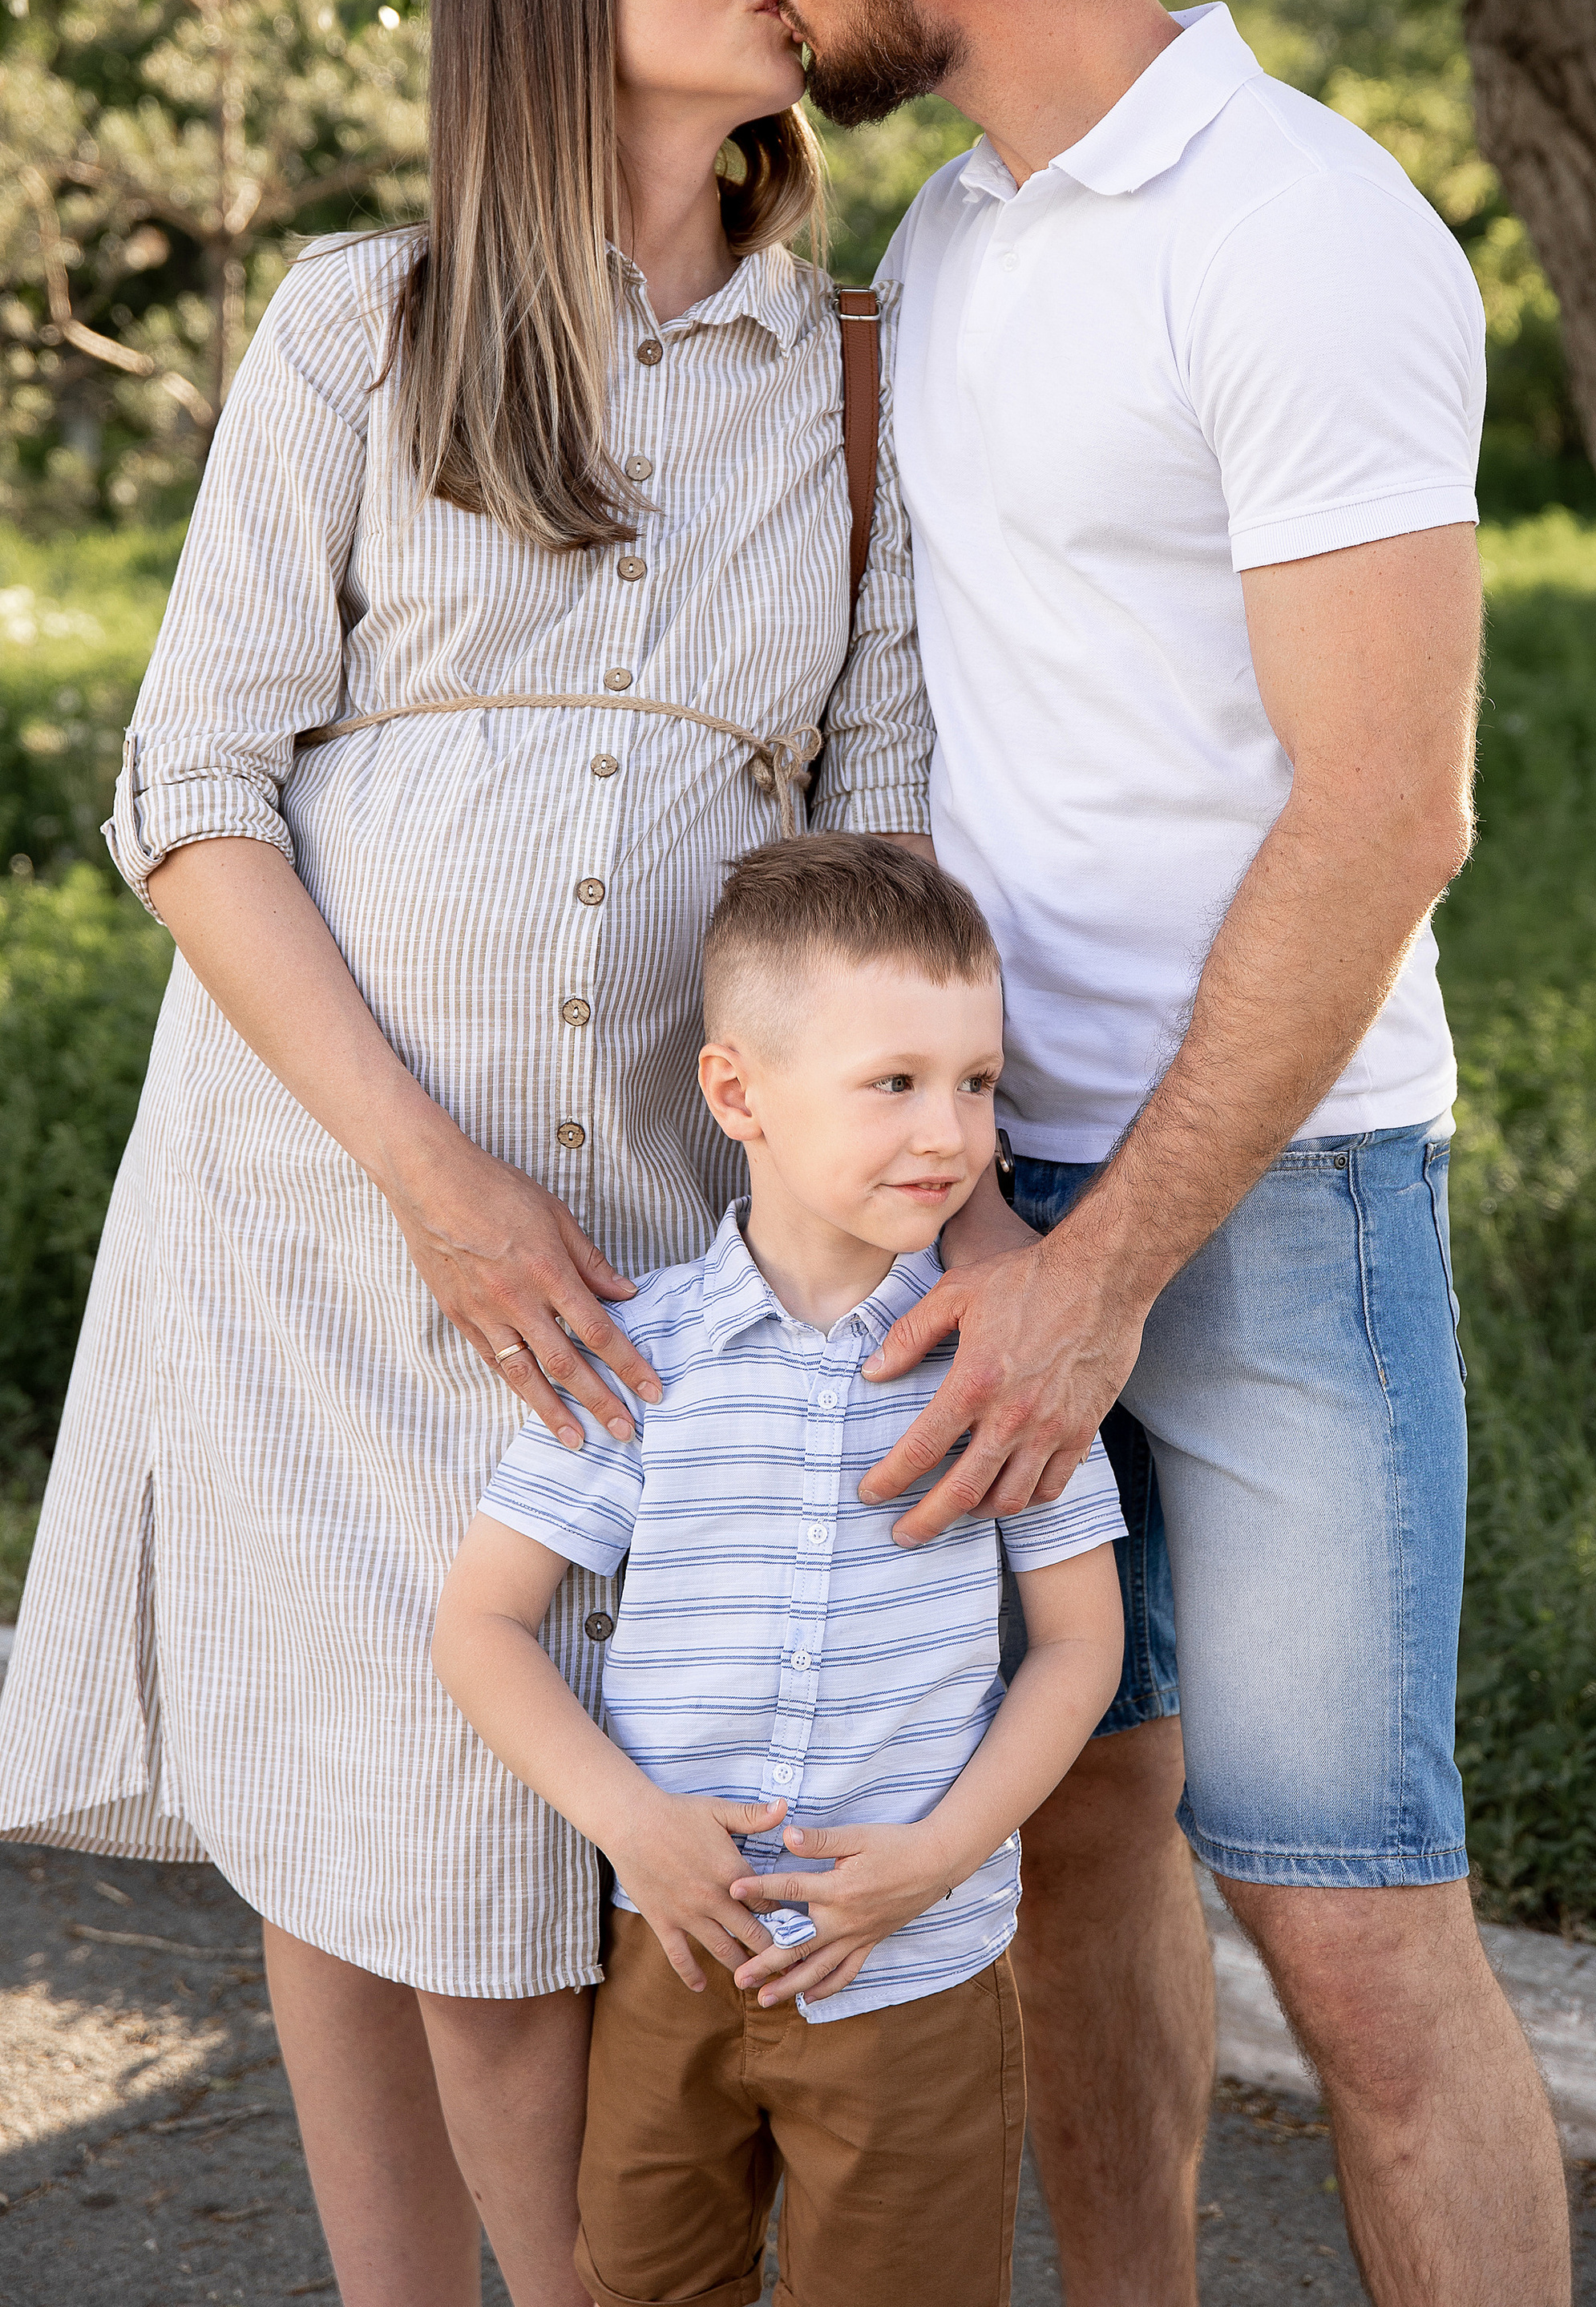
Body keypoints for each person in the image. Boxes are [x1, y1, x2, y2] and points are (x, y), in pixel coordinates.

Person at [0, 0, 968, 2307]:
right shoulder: (365, 321)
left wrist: (902, 1207)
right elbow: (190, 789)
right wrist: (432, 1181)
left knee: (521, 1882)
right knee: (367, 1826)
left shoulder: (856, 379)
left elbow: (874, 839)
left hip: (647, 1233)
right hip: (313, 1210)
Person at [745, 0, 1575, 2307]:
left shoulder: (1301, 232)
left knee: (1352, 1921)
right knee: (1078, 1843)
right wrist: (975, 1197)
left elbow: (1393, 804)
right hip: (991, 1194)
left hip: (1279, 1202)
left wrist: (1103, 1268)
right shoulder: (958, 241)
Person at [434, 834, 1126, 2307]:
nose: (951, 1133)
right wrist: (632, 1827)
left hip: (915, 1972)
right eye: (896, 1082)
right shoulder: (644, 1359)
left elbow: (1081, 1645)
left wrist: (941, 1857)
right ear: (738, 1093)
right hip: (675, 1952)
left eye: (979, 1083)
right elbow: (481, 1625)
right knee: (646, 2287)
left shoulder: (1007, 1373)